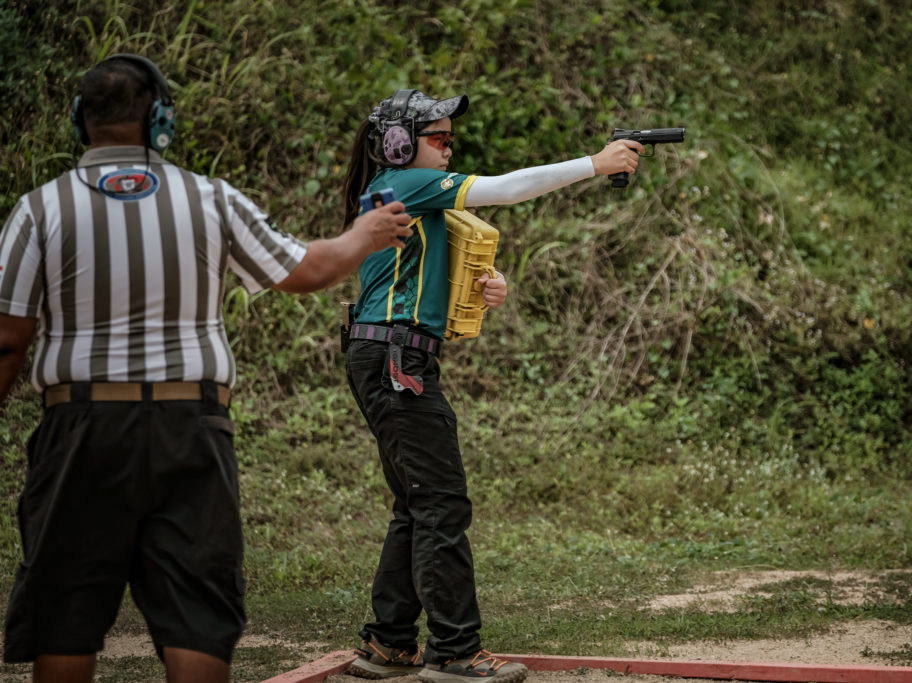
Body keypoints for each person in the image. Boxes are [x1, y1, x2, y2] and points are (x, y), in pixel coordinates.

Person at [0, 54, 411, 683]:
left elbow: (8, 341)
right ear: (160, 121)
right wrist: (367, 232)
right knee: (196, 613)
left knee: (66, 612)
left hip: (80, 427)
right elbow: (308, 270)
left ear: (80, 121)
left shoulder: (39, 209)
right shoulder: (208, 197)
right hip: (189, 425)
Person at [339, 88, 643, 683]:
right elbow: (506, 188)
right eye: (437, 138)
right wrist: (595, 163)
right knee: (441, 502)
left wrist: (484, 282)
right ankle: (453, 652)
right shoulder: (404, 182)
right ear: (397, 145)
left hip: (388, 354)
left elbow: (424, 264)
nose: (448, 148)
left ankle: (389, 644)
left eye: (450, 138)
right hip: (395, 359)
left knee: (418, 504)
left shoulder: (401, 191)